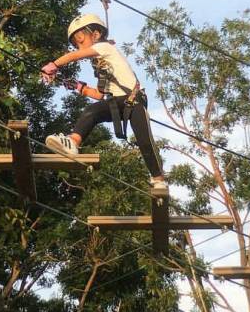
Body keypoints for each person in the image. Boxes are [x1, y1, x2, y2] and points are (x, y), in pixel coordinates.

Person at [41, 13, 166, 187]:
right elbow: (99, 95)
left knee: (144, 141)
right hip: (117, 103)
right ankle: (72, 142)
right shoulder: (100, 65)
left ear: (96, 35)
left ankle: (158, 179)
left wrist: (54, 65)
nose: (79, 46)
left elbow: (74, 56)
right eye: (76, 43)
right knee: (91, 112)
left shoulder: (106, 48)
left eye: (80, 39)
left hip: (134, 100)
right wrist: (77, 86)